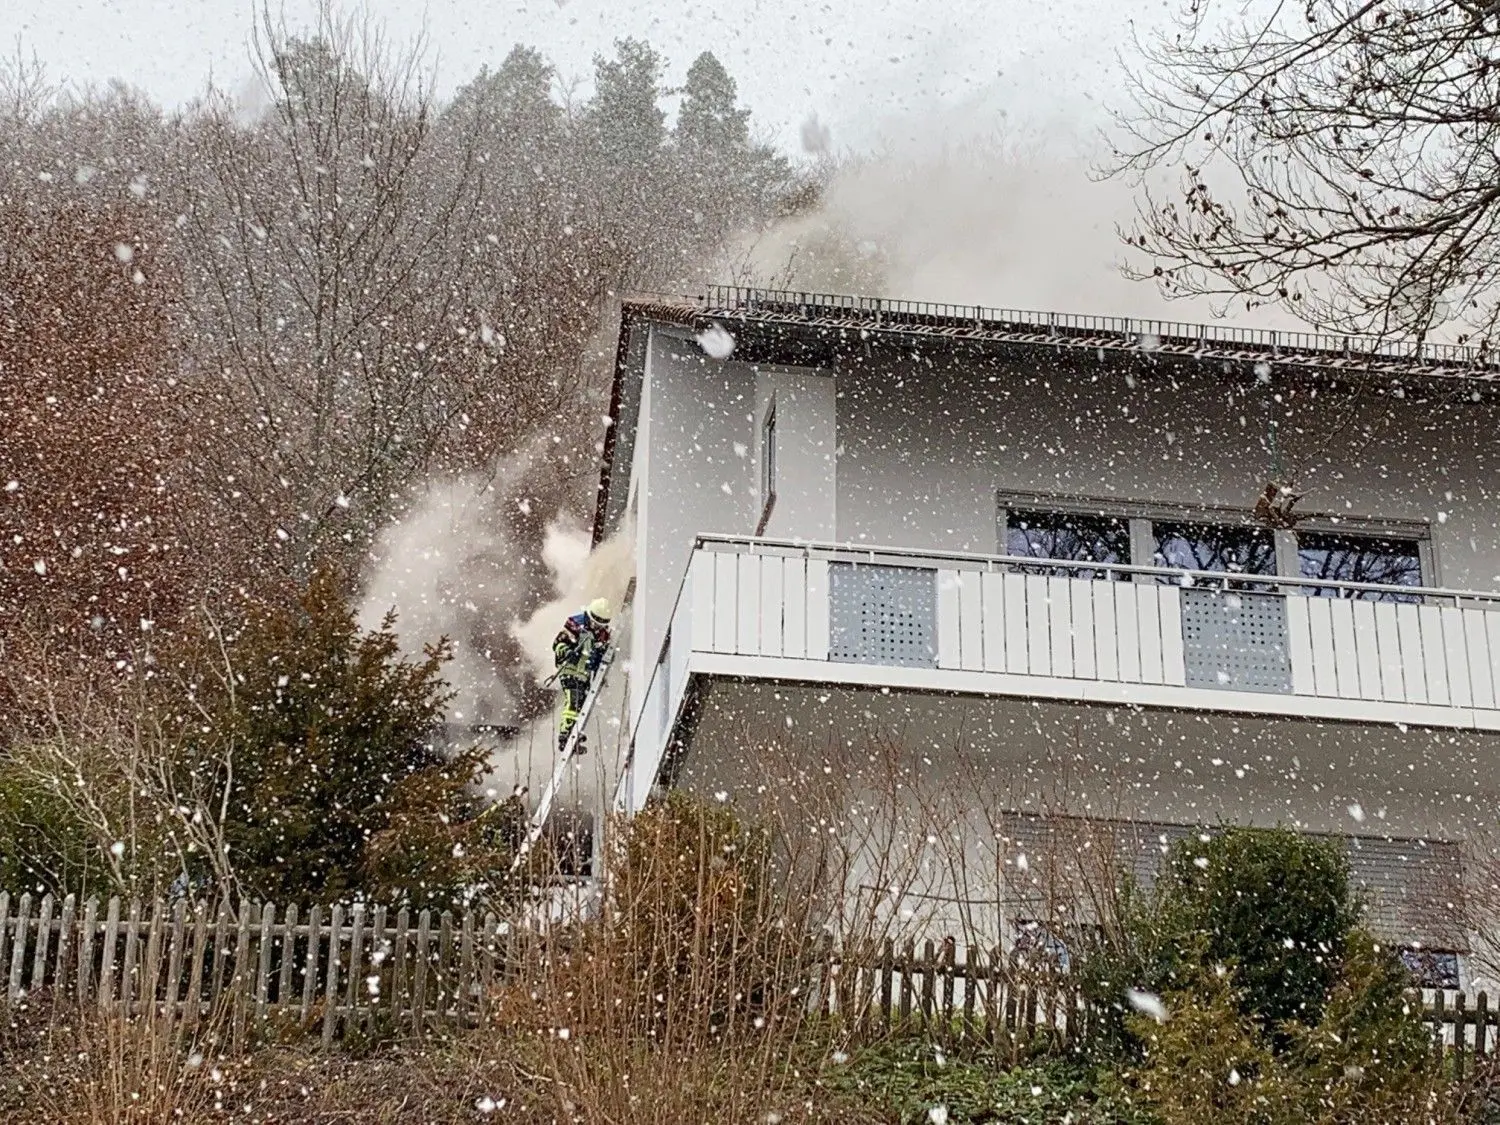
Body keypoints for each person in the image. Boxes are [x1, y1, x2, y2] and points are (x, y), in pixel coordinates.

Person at [553, 597, 612, 753]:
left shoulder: (603, 634)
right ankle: (565, 736)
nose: (597, 627)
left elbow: (600, 656)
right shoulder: (575, 624)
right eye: (596, 623)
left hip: (585, 675)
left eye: (601, 624)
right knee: (573, 701)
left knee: (581, 704)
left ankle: (575, 734)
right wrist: (567, 652)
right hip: (570, 671)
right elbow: (558, 644)